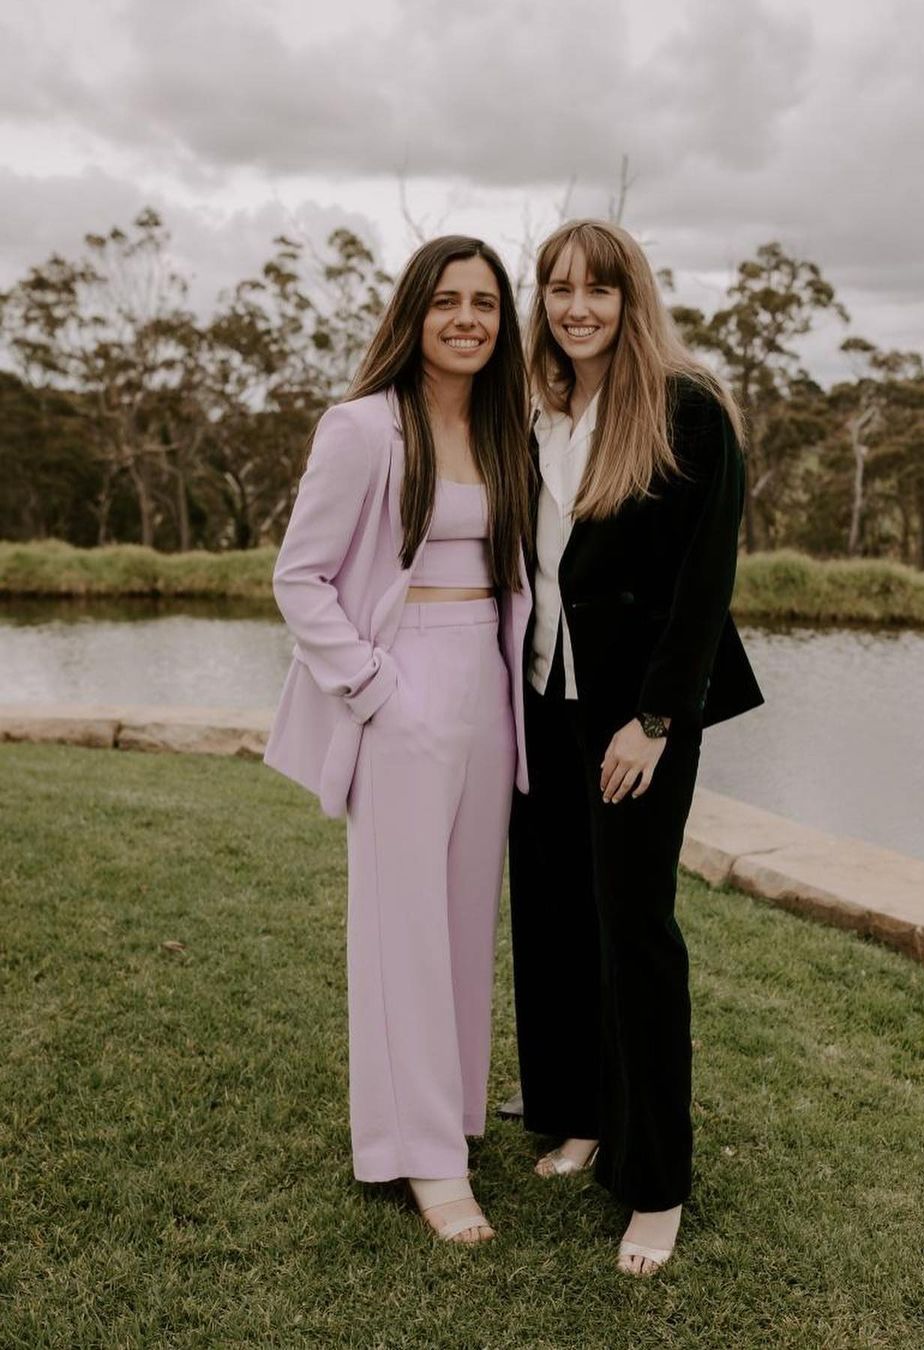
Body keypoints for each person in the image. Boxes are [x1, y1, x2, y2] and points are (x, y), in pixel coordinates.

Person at [264, 236, 532, 1245]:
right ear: (413, 313)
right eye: (448, 302)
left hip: (490, 694)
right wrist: (378, 690)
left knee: (465, 924)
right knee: (403, 930)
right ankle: (422, 1159)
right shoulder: (363, 427)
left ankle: (452, 1115)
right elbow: (301, 576)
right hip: (403, 682)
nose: (469, 320)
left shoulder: (507, 431)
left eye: (487, 305)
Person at [508, 220, 763, 1276]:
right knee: (555, 917)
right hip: (540, 699)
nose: (577, 308)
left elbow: (705, 588)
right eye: (559, 289)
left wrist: (657, 721)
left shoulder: (686, 408)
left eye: (597, 291)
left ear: (630, 298)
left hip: (637, 718)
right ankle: (580, 1115)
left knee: (635, 929)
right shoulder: (536, 406)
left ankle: (655, 1183)